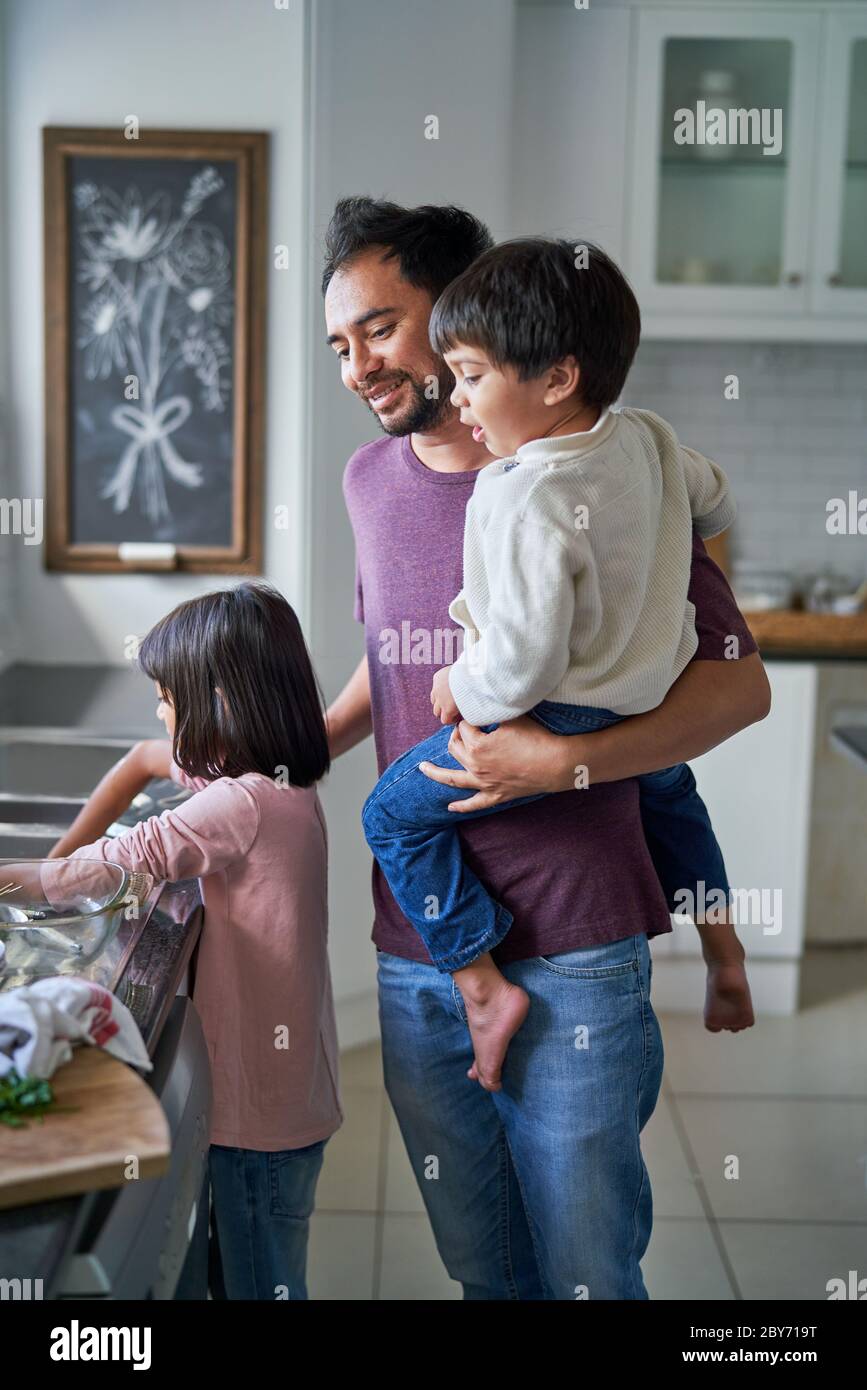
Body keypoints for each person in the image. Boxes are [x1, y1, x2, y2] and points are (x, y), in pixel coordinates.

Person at [323, 197, 769, 1299]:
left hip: (574, 944)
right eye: (339, 343)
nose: (358, 366)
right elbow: (385, 658)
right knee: (486, 1274)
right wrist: (270, 748)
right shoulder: (367, 483)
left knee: (584, 1276)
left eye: (381, 328)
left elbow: (737, 690)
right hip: (416, 946)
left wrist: (556, 762)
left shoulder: (600, 471)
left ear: (462, 311)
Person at [361, 236, 752, 1093]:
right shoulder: (646, 439)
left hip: (558, 713)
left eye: (468, 374)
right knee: (671, 796)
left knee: (389, 815)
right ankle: (724, 949)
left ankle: (477, 981)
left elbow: (525, 659)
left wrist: (457, 685)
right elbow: (714, 496)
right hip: (636, 706)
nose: (459, 397)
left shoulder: (526, 493)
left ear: (556, 378)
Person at [47, 582, 342, 1300]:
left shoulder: (236, 803)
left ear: (219, 703)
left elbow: (103, 871)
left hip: (258, 1118)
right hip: (287, 1091)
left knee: (258, 1285)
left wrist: (41, 875)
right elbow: (144, 761)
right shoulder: (267, 780)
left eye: (168, 695)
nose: (159, 709)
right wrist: (62, 853)